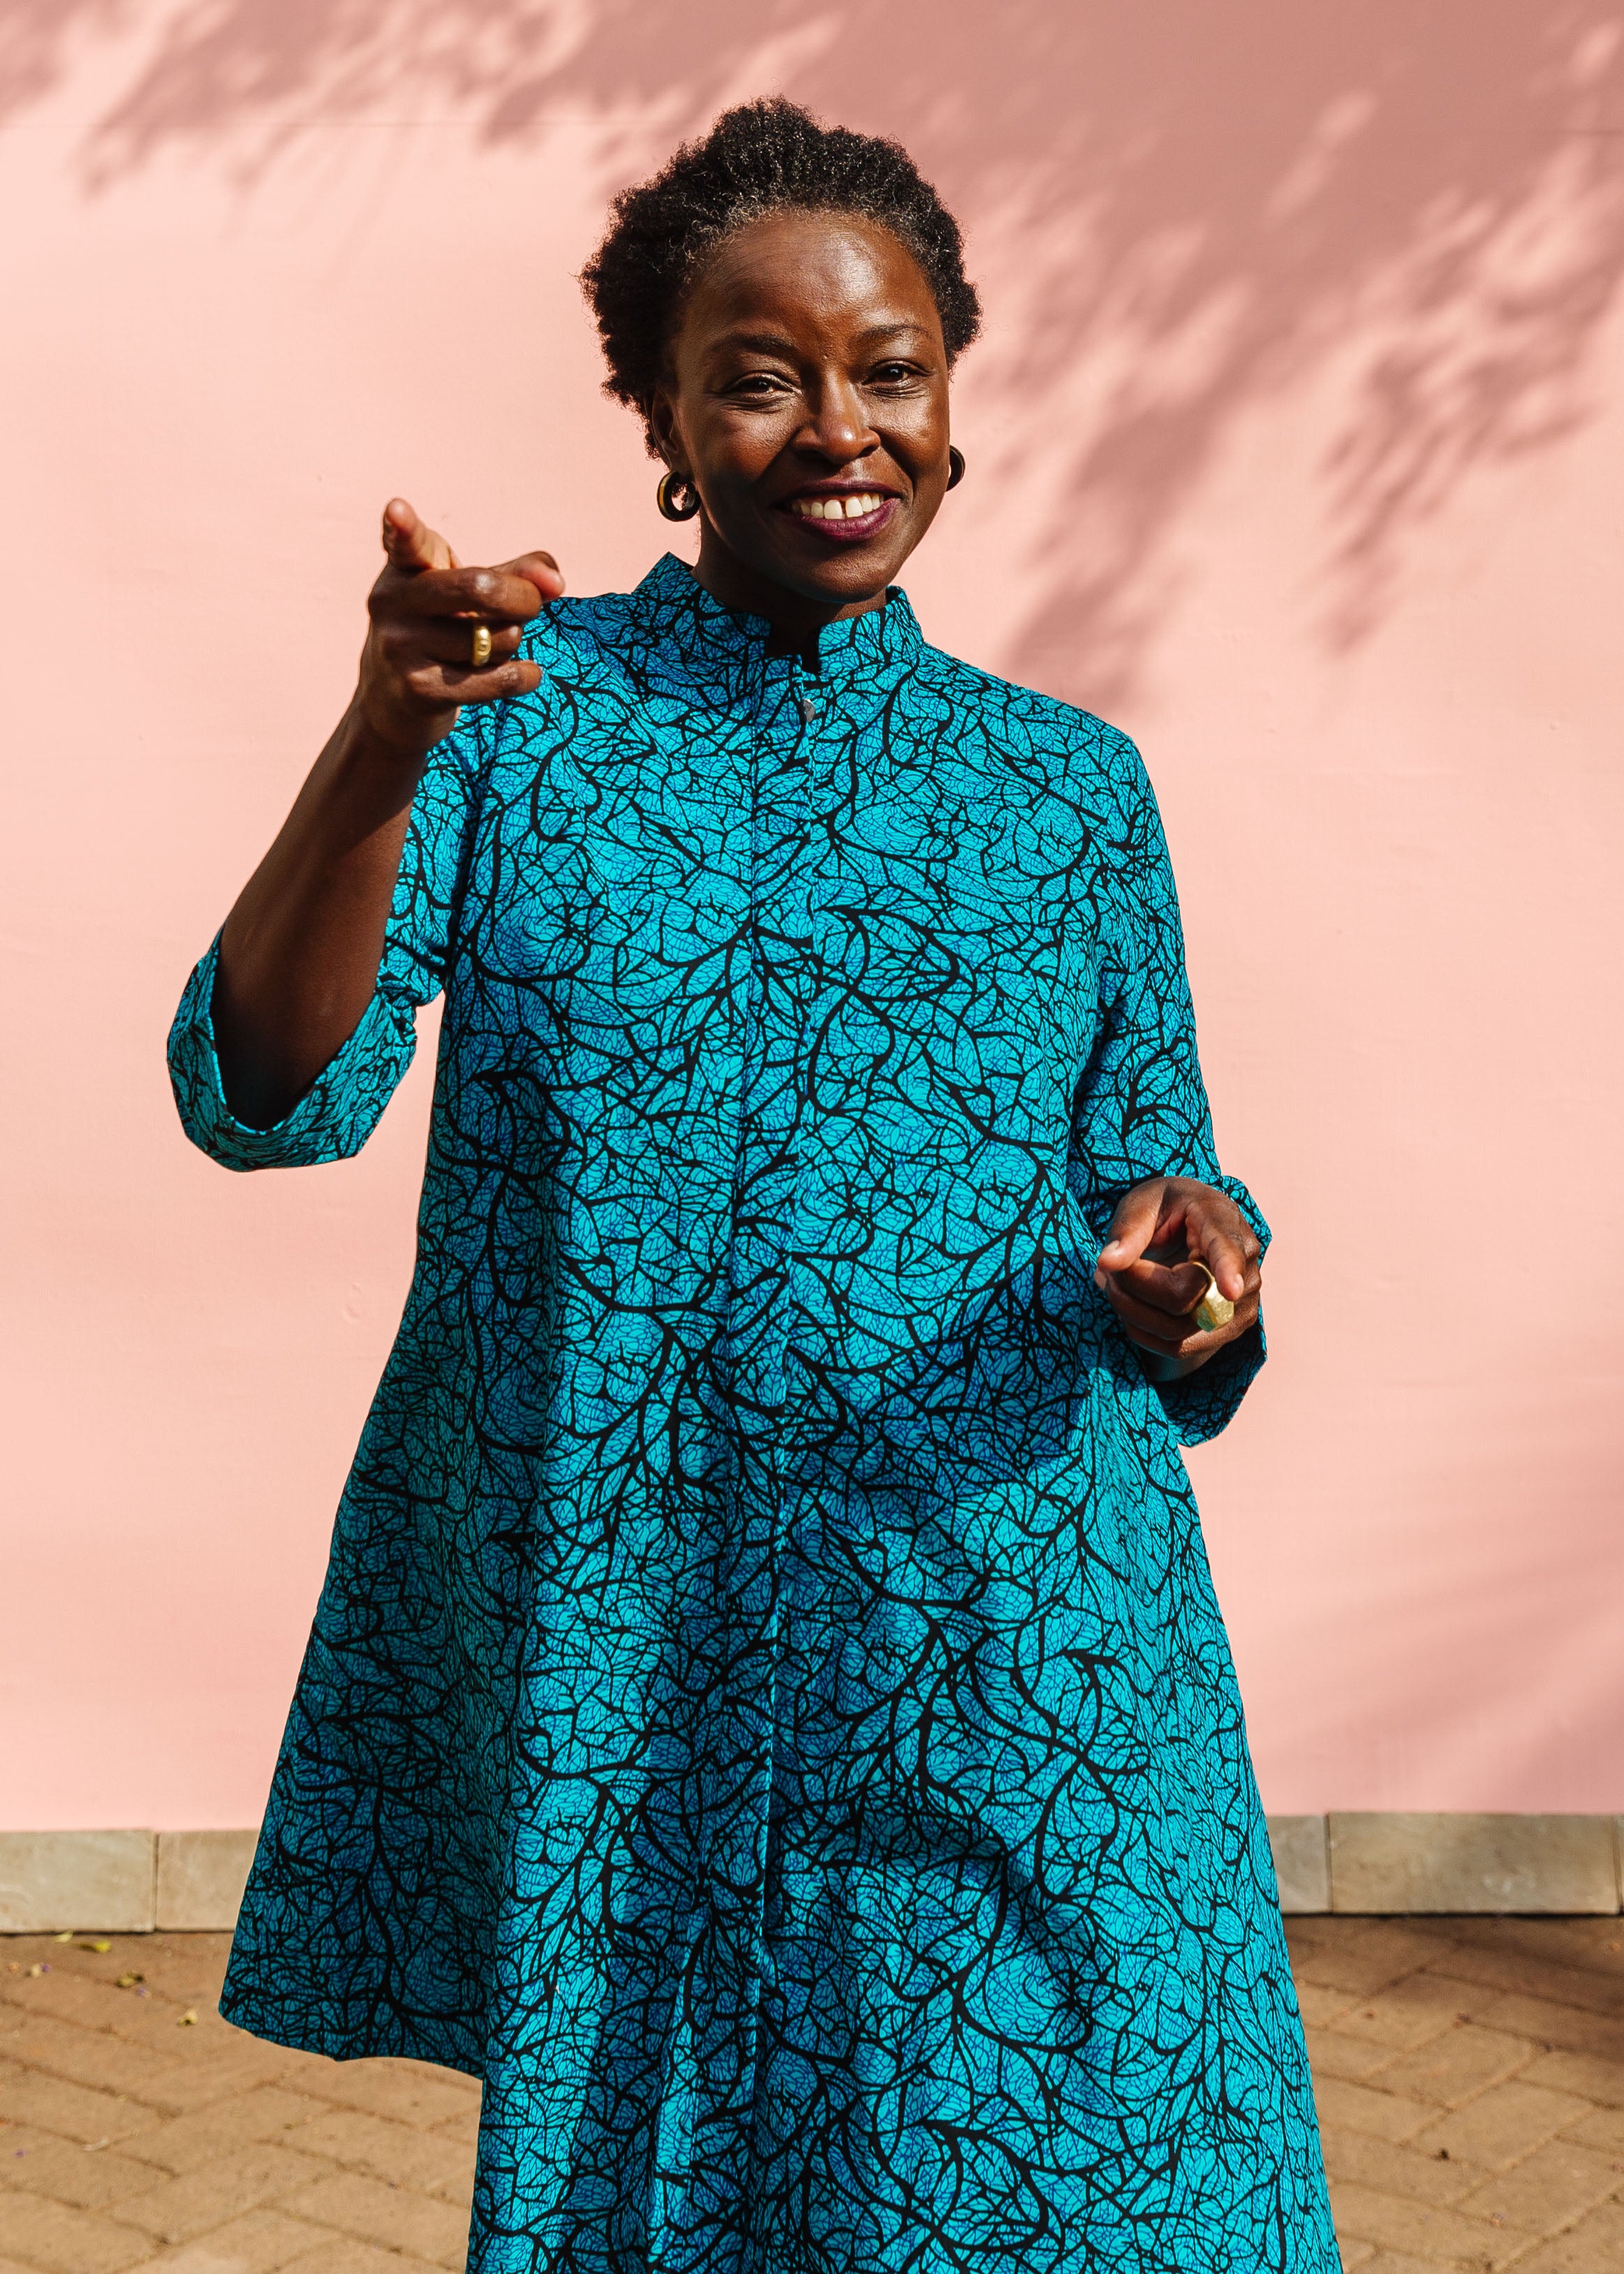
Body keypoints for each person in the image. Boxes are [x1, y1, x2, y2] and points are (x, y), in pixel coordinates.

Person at [169, 96, 1337, 2274]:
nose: (837, 426)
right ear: (668, 422)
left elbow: (1159, 1186)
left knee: (1066, 2190)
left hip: (1017, 1657)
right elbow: (265, 1088)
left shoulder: (1068, 792)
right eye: (760, 373)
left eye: (889, 369)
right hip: (641, 1660)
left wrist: (1202, 1271)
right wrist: (380, 735)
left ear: (956, 408)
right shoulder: (518, 723)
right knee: (670, 2203)